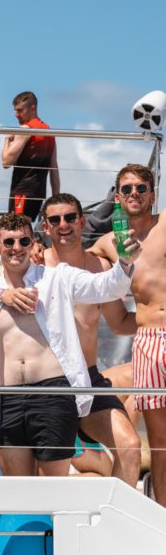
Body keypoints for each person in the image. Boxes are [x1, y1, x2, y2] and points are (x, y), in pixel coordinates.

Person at [0, 193, 141, 486]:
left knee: (52, 489)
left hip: (55, 393)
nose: (16, 248)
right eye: (9, 242)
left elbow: (105, 287)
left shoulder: (58, 277)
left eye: (23, 241)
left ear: (34, 243)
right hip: (9, 398)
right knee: (17, 490)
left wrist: (125, 263)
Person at [89, 164, 166, 504]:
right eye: (127, 189)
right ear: (118, 196)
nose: (134, 193)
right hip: (148, 341)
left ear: (152, 194)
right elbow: (70, 257)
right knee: (160, 440)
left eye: (141, 188)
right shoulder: (109, 243)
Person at [3, 91, 59, 221]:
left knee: (18, 230)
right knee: (25, 230)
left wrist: (7, 141)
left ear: (32, 108)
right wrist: (56, 197)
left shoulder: (25, 129)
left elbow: (6, 162)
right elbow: (54, 167)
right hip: (38, 194)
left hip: (22, 192)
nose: (16, 114)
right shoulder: (48, 130)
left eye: (20, 110)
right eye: (15, 110)